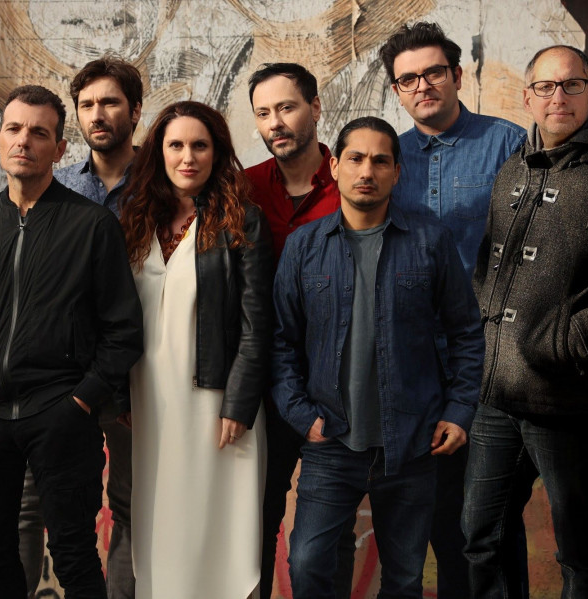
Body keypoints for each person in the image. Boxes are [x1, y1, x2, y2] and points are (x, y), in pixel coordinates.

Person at [0, 84, 143, 599]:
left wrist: (81, 401)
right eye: (13, 129)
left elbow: (122, 329)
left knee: (73, 554)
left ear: (59, 148)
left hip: (60, 416)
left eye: (39, 133)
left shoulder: (91, 225)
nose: (23, 141)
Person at [271, 116, 484, 599]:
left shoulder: (429, 241)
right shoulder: (305, 246)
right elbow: (281, 341)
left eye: (380, 161)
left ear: (396, 172)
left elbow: (466, 333)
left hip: (412, 445)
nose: (367, 171)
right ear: (335, 165)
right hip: (330, 443)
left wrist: (458, 412)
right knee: (307, 564)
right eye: (356, 158)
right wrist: (301, 415)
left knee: (404, 580)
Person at [463, 45, 588, 599]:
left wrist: (566, 340)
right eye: (545, 86)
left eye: (571, 85)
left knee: (580, 551)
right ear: (528, 97)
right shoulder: (513, 167)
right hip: (495, 397)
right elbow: (489, 268)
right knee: (480, 537)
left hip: (571, 403)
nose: (558, 97)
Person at [378, 22, 526, 598]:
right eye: (407, 79)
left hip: (491, 358)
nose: (422, 86)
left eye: (433, 72)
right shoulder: (388, 157)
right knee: (438, 513)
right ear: (397, 90)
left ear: (457, 75)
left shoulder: (508, 144)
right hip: (416, 365)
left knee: (489, 518)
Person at [119, 100, 273, 599]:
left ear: (217, 152)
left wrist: (239, 403)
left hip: (216, 402)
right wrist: (118, 395)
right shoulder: (136, 221)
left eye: (200, 145)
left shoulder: (242, 220)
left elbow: (256, 323)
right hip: (148, 402)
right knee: (161, 526)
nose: (188, 157)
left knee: (218, 532)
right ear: (158, 152)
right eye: (176, 145)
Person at [19, 56, 141, 599]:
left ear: (135, 111)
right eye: (87, 104)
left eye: (110, 102)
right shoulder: (57, 185)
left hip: (135, 374)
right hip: (58, 378)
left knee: (131, 505)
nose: (98, 114)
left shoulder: (162, 181)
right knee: (31, 505)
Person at [243, 62, 345, 599]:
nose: (275, 123)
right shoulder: (244, 188)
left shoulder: (351, 179)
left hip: (334, 382)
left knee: (328, 536)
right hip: (263, 385)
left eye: (286, 108)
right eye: (263, 113)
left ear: (315, 107)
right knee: (254, 521)